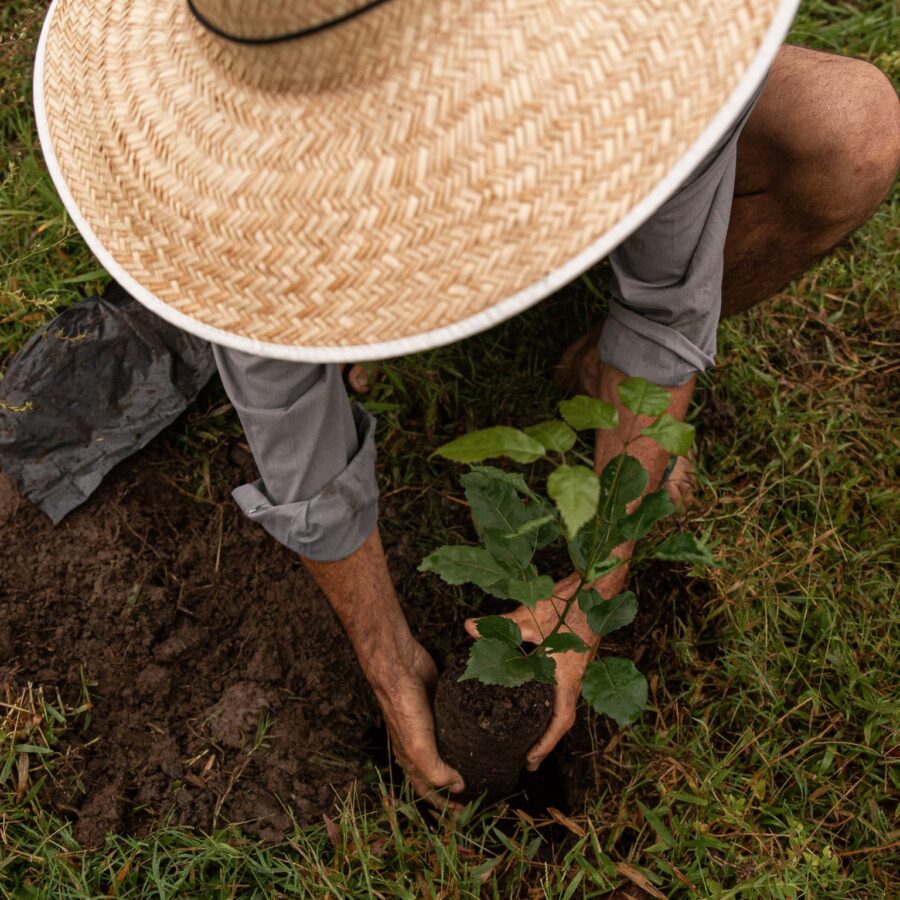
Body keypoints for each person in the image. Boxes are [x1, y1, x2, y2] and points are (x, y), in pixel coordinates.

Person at [35, 2, 899, 807]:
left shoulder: (649, 47)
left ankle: (587, 362)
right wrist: (383, 653)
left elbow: (667, 311)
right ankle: (365, 317)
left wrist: (590, 591)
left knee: (853, 131)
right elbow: (287, 414)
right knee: (295, 308)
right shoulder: (232, 159)